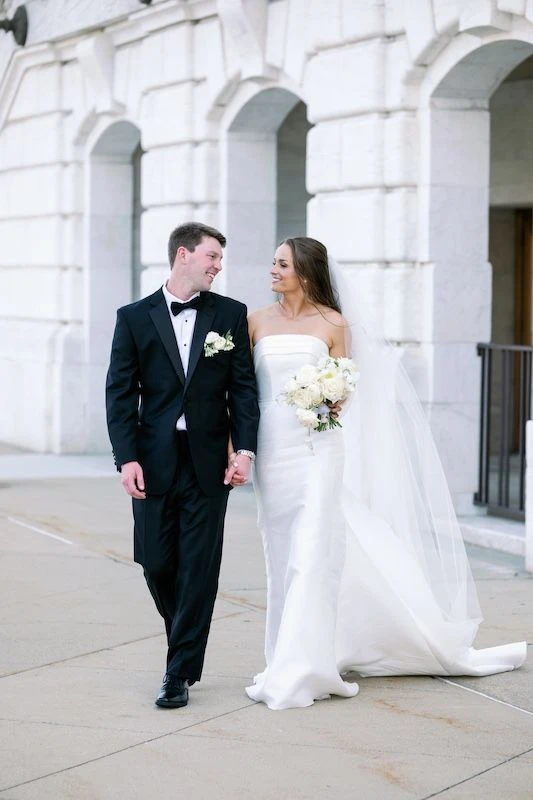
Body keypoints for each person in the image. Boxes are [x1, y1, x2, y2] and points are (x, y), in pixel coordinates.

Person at [245, 236, 526, 711]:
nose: (272, 270)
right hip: (273, 450)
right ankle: (285, 655)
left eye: (282, 264)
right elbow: (240, 388)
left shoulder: (334, 324)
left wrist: (327, 401)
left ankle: (302, 669)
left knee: (312, 554)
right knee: (281, 555)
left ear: (306, 273)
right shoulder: (254, 321)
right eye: (272, 262)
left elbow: (344, 386)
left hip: (319, 448)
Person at [106, 222, 259, 709]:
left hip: (210, 463)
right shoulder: (133, 317)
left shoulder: (232, 315)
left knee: (199, 567)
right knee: (155, 562)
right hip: (152, 462)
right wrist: (126, 457)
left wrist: (246, 451)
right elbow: (120, 393)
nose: (218, 265)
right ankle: (184, 646)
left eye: (220, 259)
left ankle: (178, 672)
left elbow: (245, 391)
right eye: (212, 256)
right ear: (183, 255)